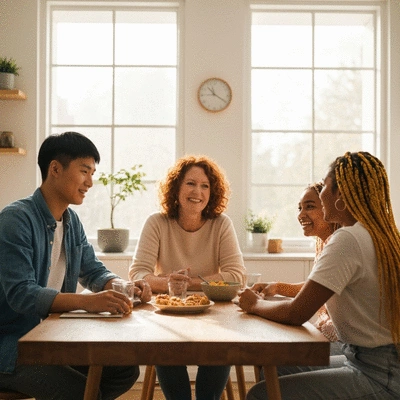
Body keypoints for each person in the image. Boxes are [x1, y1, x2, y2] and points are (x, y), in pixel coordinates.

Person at [0, 132, 152, 400]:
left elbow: (93, 271)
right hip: (15, 348)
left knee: (124, 371)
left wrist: (125, 287)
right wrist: (88, 302)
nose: (90, 182)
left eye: (92, 173)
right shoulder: (16, 220)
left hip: (52, 341)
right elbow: (21, 294)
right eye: (84, 171)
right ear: (55, 169)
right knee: (80, 392)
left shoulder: (71, 222)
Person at [239, 151, 400, 399]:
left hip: (379, 372)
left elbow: (296, 313)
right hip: (371, 360)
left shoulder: (347, 239)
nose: (322, 193)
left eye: (325, 187)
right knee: (277, 369)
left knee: (261, 394)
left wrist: (254, 305)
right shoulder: (374, 234)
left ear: (341, 197)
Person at [129, 154, 245, 400]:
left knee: (221, 345)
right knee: (164, 345)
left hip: (214, 314)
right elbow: (138, 273)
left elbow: (237, 276)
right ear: (176, 188)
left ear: (212, 193)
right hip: (168, 314)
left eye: (205, 186)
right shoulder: (157, 222)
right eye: (190, 183)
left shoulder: (222, 224)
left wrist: (191, 283)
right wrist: (169, 283)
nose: (198, 192)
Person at [258, 182, 341, 346]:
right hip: (326, 332)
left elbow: (298, 310)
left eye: (309, 207)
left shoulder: (338, 245)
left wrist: (255, 305)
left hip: (339, 341)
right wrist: (277, 287)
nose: (301, 215)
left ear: (329, 208)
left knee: (271, 353)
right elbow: (318, 287)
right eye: (300, 208)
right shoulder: (325, 244)